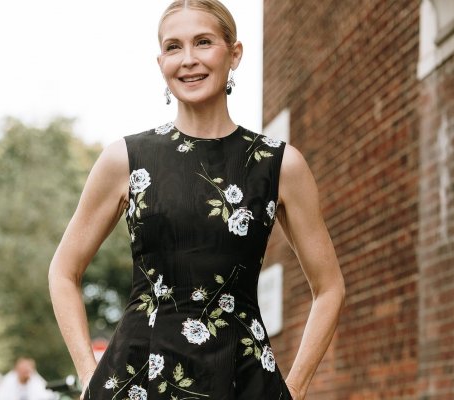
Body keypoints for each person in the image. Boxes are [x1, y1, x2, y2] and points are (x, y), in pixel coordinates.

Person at [48, 0, 346, 399]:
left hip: (243, 380)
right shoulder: (124, 159)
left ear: (234, 54)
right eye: (174, 47)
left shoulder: (280, 165)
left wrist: (293, 389)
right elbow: (63, 272)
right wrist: (89, 375)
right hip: (137, 379)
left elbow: (329, 288)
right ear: (160, 62)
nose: (188, 60)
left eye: (203, 42)